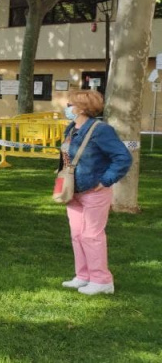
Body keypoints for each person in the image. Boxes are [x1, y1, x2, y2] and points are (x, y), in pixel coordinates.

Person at [58, 90, 131, 295]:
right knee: (77, 235)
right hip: (73, 189)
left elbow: (123, 158)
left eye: (69, 104)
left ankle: (102, 280)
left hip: (94, 189)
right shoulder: (72, 128)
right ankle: (83, 276)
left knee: (92, 235)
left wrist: (106, 180)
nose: (67, 107)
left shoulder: (101, 130)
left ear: (81, 108)